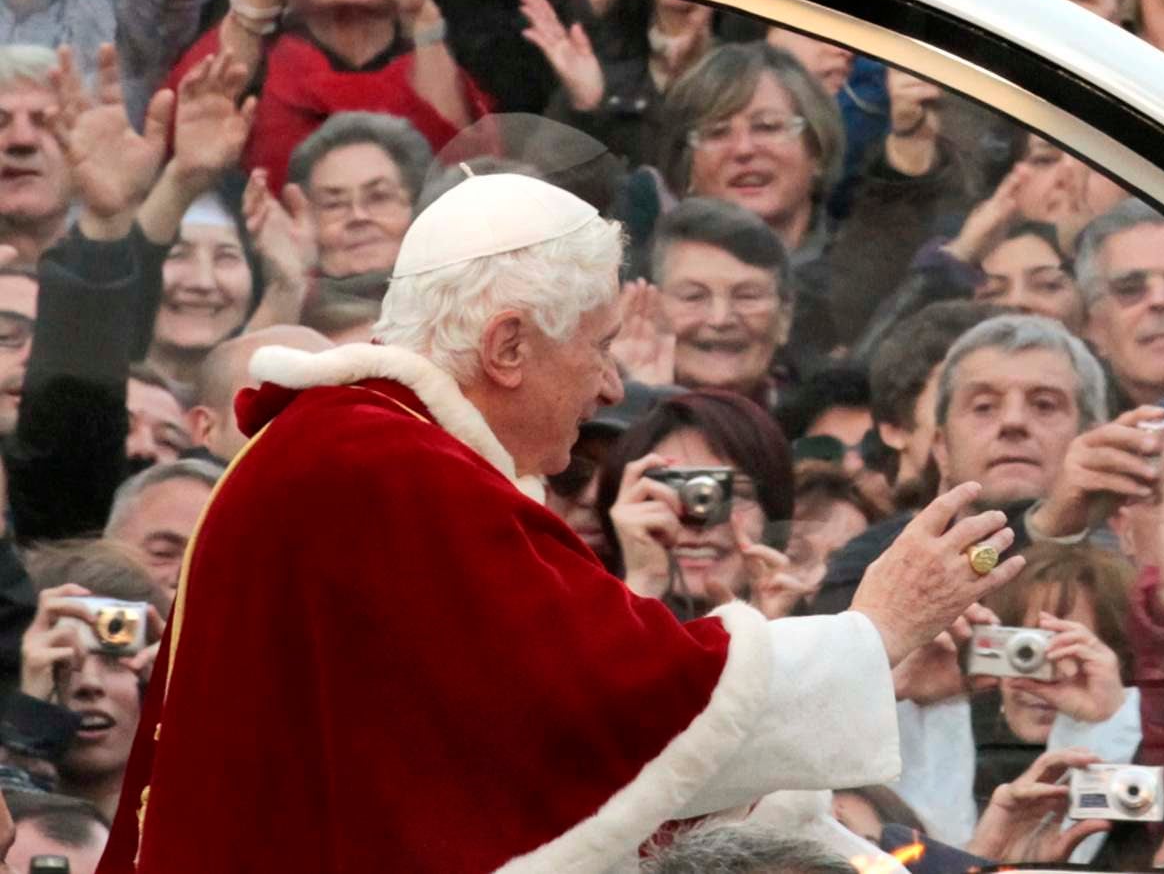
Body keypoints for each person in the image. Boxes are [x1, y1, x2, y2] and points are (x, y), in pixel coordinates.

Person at [97, 172, 1018, 866]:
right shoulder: (379, 466)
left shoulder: (368, 447)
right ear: (507, 346)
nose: (614, 383)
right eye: (600, 345)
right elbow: (611, 701)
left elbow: (522, 749)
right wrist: (878, 625)